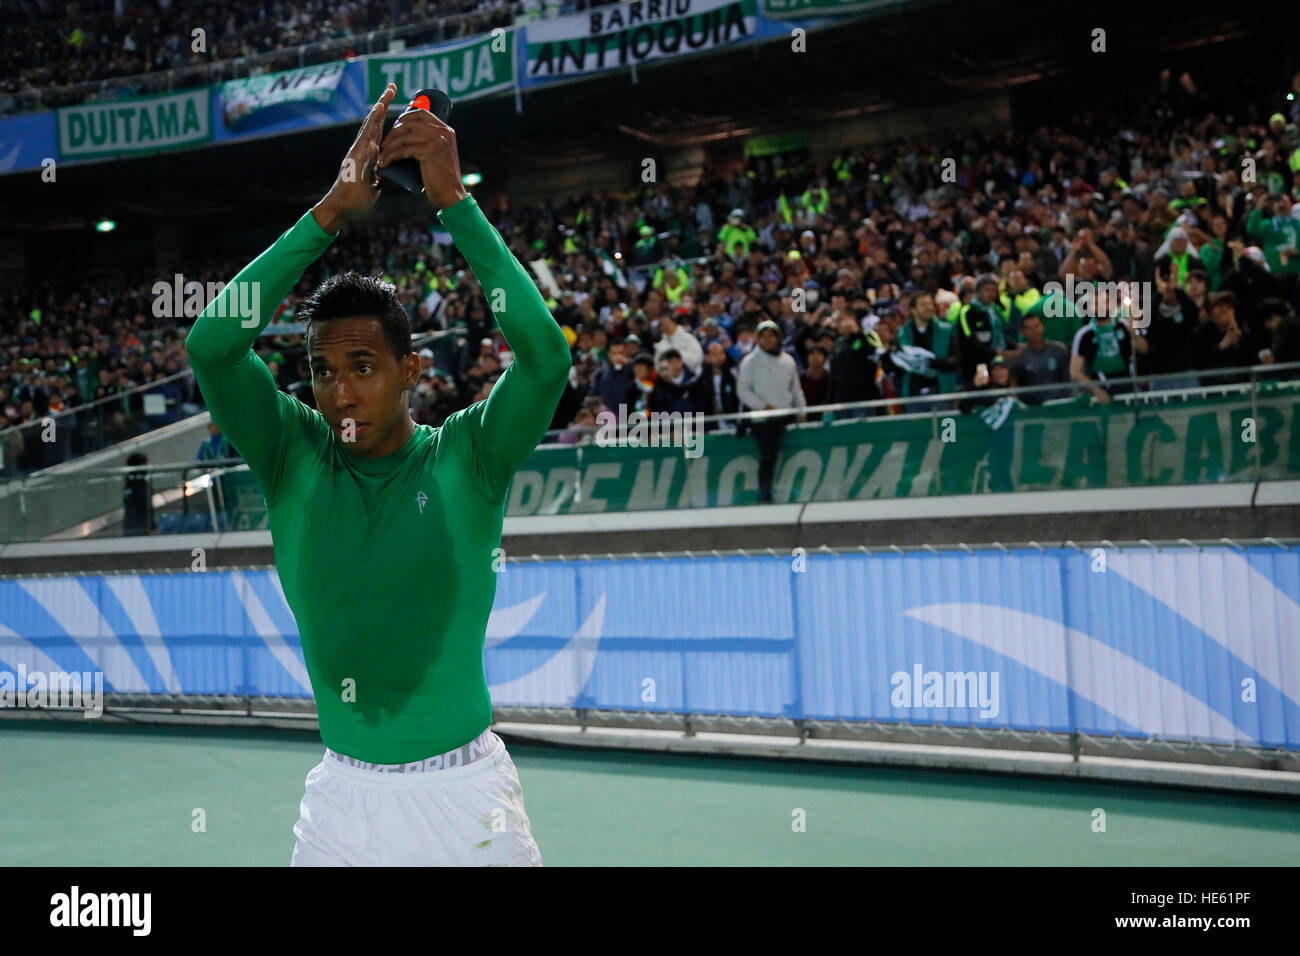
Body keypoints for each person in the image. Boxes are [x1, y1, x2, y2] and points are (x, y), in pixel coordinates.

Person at [185, 84, 565, 867]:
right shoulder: (293, 455)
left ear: (411, 370)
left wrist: (454, 202)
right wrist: (327, 213)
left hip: (467, 808)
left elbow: (546, 358)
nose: (340, 390)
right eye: (322, 370)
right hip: (341, 808)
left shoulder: (470, 457)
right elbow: (213, 346)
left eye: (363, 366)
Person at [737, 320, 805, 503]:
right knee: (768, 454)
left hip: (785, 414)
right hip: (763, 418)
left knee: (791, 451)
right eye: (763, 336)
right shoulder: (750, 362)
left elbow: (796, 389)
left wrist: (802, 410)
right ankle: (764, 492)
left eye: (771, 335)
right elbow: (743, 390)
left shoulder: (788, 361)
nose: (767, 340)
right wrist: (762, 406)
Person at [1011, 313, 1071, 404]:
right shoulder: (1018, 355)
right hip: (1031, 407)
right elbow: (1014, 385)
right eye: (1029, 328)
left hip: (1059, 403)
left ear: (1042, 326)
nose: (1034, 331)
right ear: (1022, 332)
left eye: (1036, 326)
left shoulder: (1059, 350)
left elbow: (1067, 379)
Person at [122, 451, 152, 536]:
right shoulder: (138, 481)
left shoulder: (129, 480)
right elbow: (144, 504)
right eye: (145, 464)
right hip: (139, 524)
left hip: (132, 523)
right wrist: (152, 525)